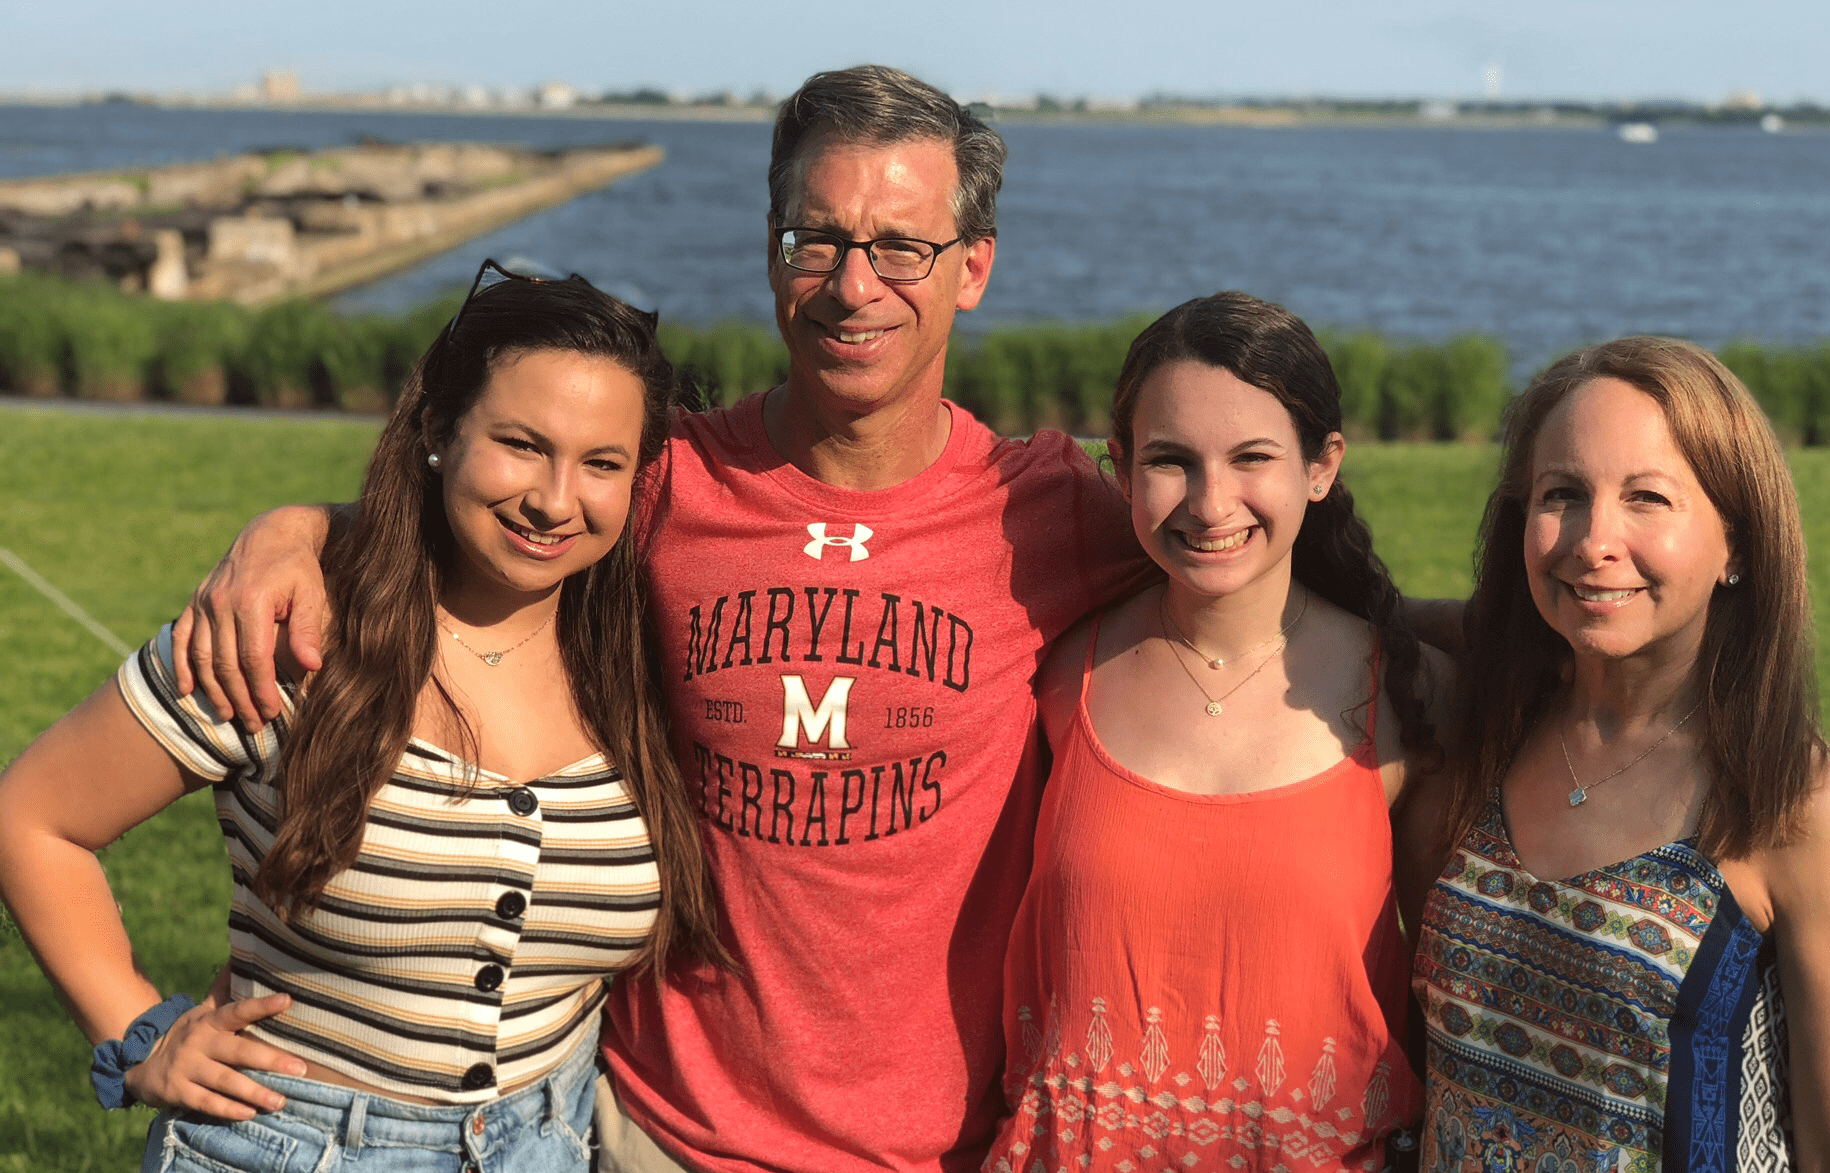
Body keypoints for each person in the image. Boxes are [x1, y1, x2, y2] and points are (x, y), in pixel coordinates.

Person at [167, 66, 1151, 1172]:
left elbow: (1239, 585)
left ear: (971, 268)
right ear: (772, 248)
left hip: (934, 1147)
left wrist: (1390, 653)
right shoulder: (670, 484)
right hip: (648, 1132)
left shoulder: (1051, 510)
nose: (850, 285)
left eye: (900, 248)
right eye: (814, 239)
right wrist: (299, 529)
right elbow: (491, 520)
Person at [0, 263, 722, 1172]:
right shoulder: (290, 636)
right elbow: (32, 816)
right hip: (290, 1145)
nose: (554, 498)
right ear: (436, 428)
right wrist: (139, 1035)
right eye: (522, 444)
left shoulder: (639, 663)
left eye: (602, 463)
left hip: (553, 1140)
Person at [1401, 337, 1830, 1172]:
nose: (1594, 540)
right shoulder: (1489, 718)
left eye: (1647, 498)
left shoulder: (1800, 806)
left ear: (1736, 545)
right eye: (1562, 494)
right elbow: (1366, 622)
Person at [985, 293, 1446, 1173]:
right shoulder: (1050, 676)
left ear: (1321, 465)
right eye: (1170, 460)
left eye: (1251, 457)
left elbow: (1450, 999)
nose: (1209, 500)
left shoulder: (1406, 700)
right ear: (1120, 468)